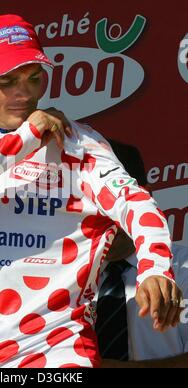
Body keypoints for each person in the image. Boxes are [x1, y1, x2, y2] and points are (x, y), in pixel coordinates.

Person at [0, 14, 182, 368]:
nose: (25, 93)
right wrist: (22, 140)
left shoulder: (77, 144)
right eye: (7, 80)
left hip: (62, 359)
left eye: (33, 77)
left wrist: (155, 268)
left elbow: (136, 203)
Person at [96, 140, 188, 368]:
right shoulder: (60, 275)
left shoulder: (183, 268)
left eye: (120, 205)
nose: (107, 219)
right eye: (95, 205)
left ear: (144, 198)